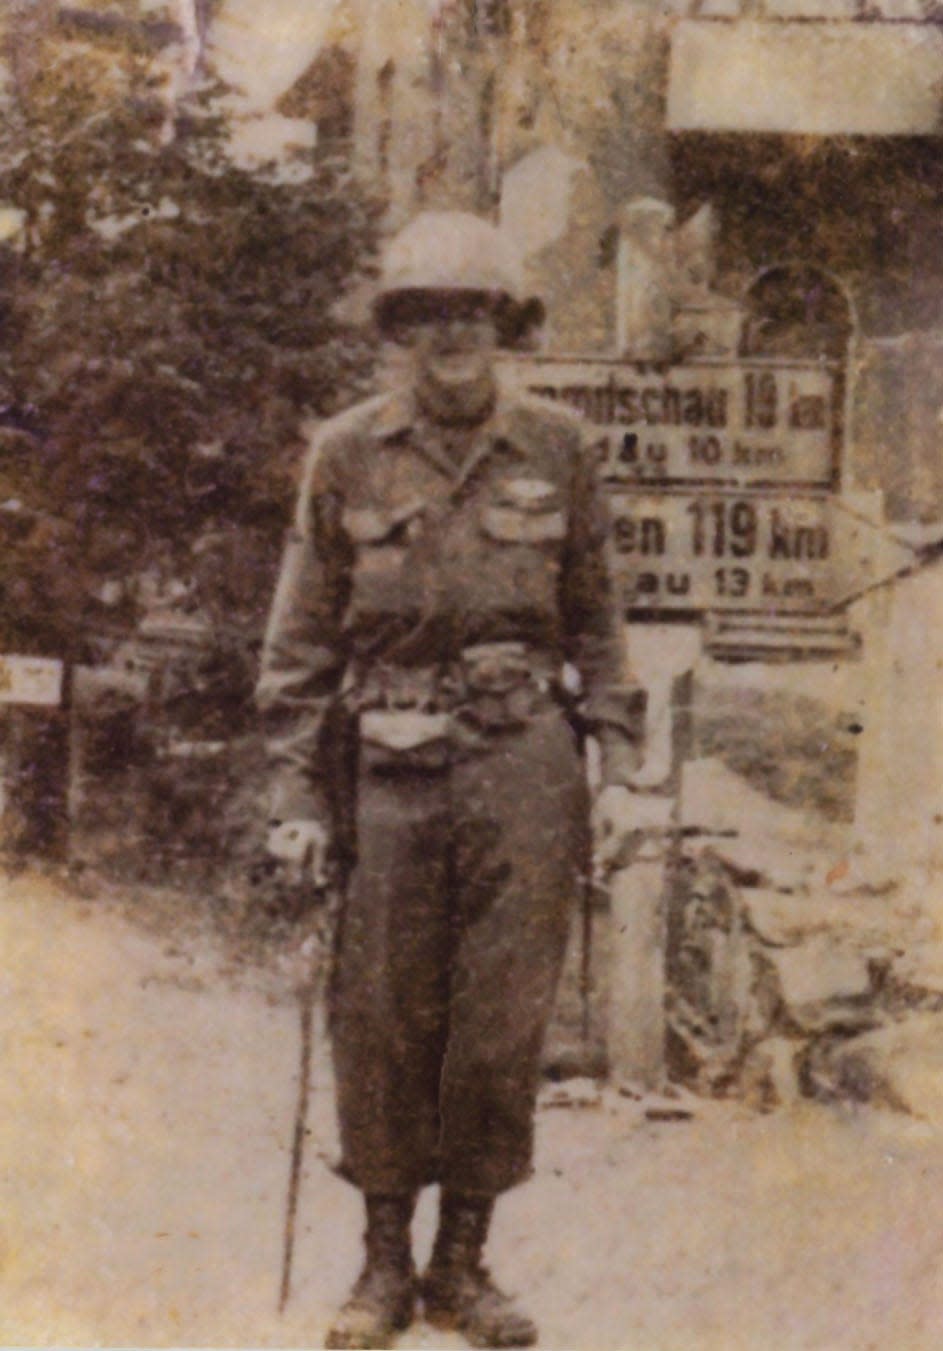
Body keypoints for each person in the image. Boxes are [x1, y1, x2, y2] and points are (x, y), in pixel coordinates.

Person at [256, 210, 644, 1350]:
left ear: (505, 326)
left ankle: (461, 1266)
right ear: (398, 335)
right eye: (426, 317)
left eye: (473, 313)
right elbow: (300, 641)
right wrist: (292, 794)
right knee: (380, 1017)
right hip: (388, 762)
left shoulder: (560, 446)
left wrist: (620, 765)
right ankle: (380, 1268)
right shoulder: (346, 451)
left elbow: (600, 620)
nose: (452, 336)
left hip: (525, 760)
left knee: (498, 1023)